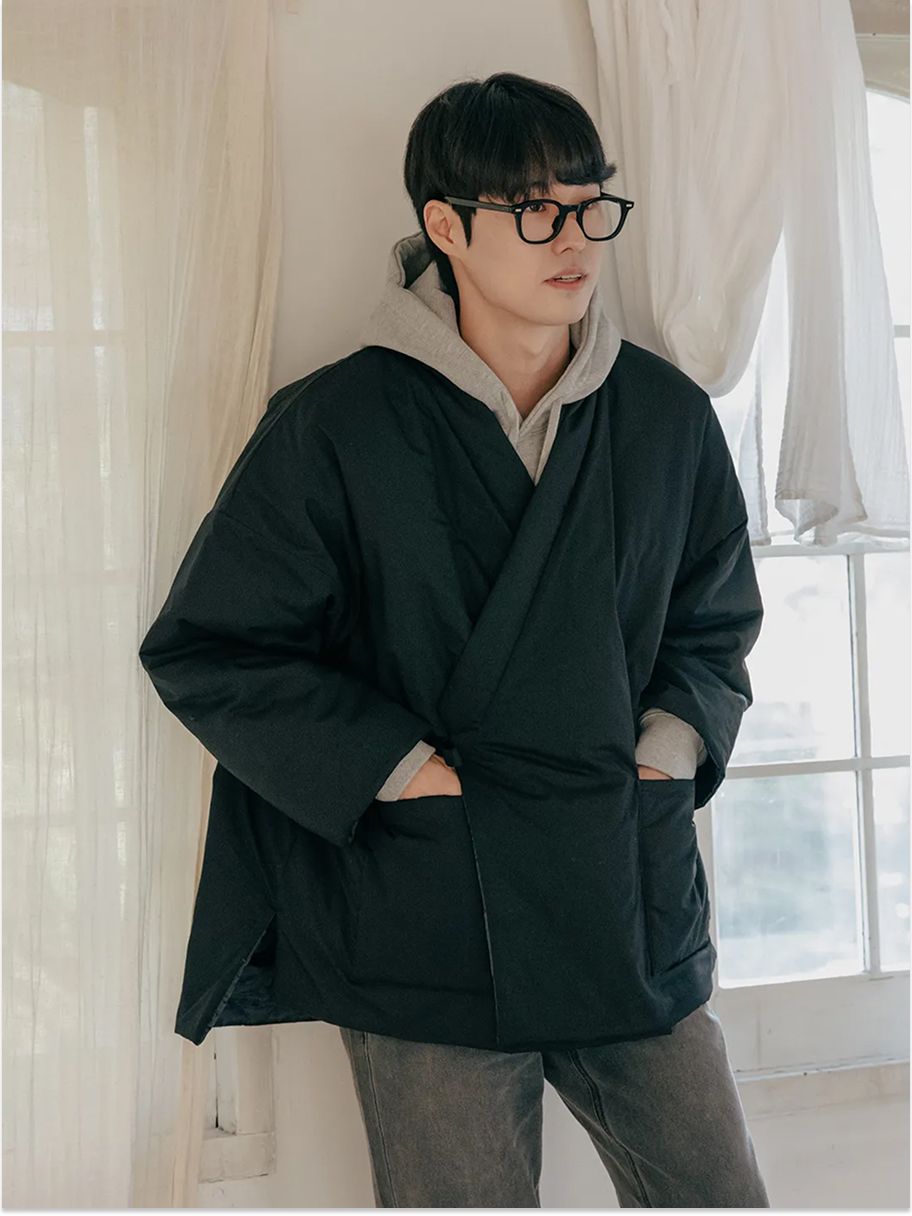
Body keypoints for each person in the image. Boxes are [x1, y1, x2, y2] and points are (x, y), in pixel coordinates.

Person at [138, 70, 769, 1206]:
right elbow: (213, 647)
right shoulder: (336, 423)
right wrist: (402, 772)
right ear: (444, 225)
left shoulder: (665, 416)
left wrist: (665, 754)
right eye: (533, 210)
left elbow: (712, 621)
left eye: (590, 205)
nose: (573, 239)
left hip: (621, 885)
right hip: (431, 907)